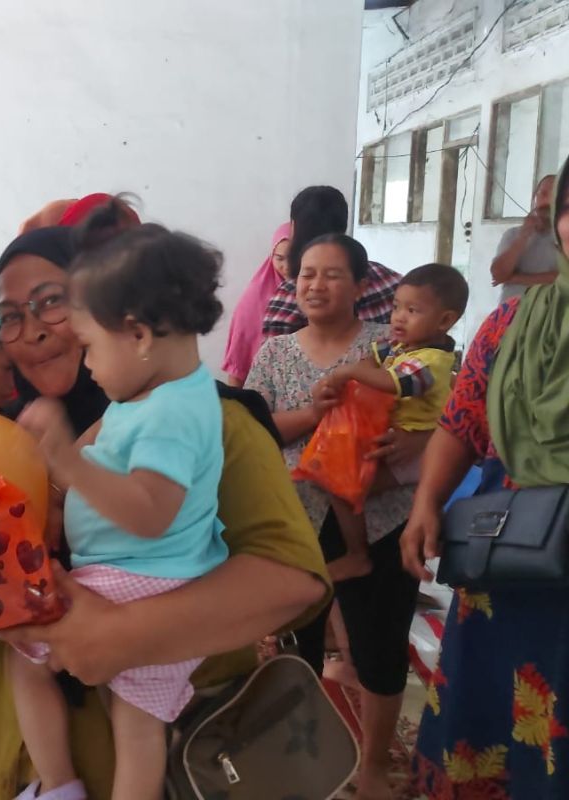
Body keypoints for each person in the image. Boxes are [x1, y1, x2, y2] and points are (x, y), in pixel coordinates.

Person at [0, 210, 331, 800]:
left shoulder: (210, 420)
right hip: (15, 755)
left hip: (162, 756)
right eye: (9, 316)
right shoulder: (3, 440)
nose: (30, 331)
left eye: (52, 303)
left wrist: (122, 634)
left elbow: (295, 581)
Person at [9, 211, 229, 800]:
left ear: (136, 334)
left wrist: (68, 464)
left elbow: (150, 512)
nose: (85, 364)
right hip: (150, 581)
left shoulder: (170, 414)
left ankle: (58, 788)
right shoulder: (160, 393)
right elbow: (107, 452)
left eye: (88, 347)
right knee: (134, 727)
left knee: (22, 655)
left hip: (139, 584)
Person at [404, 155, 569, 799]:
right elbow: (459, 425)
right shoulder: (511, 324)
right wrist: (425, 502)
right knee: (498, 723)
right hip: (513, 561)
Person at [245, 233, 417, 800]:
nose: (315, 285)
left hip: (379, 516)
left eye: (331, 274)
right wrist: (310, 415)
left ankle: (370, 769)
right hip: (294, 519)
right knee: (298, 651)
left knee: (379, 649)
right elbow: (254, 430)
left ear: (362, 284)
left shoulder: (388, 349)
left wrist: (405, 444)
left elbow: (433, 415)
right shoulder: (274, 352)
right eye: (306, 275)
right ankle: (303, 766)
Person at [315, 263, 467, 581]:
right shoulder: (402, 345)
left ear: (445, 321)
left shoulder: (432, 362)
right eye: (397, 307)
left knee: (343, 485)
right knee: (339, 478)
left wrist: (349, 373)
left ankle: (358, 555)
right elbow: (373, 355)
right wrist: (349, 373)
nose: (399, 317)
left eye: (412, 310)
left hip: (417, 452)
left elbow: (394, 382)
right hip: (401, 439)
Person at [263, 186, 401, 338]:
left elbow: (273, 351)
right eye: (309, 274)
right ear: (344, 225)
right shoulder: (391, 281)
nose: (316, 286)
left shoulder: (293, 293)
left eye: (332, 276)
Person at [222, 222, 291, 387]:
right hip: (258, 389)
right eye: (279, 258)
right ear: (271, 256)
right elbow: (239, 358)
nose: (286, 266)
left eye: (293, 258)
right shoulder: (254, 297)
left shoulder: (304, 292)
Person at [490, 173, 560, 302]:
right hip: (511, 315)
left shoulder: (564, 238)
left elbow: (562, 278)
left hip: (549, 317)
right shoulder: (513, 234)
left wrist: (514, 278)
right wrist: (523, 236)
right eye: (543, 194)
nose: (548, 201)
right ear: (534, 198)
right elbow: (498, 274)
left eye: (555, 195)